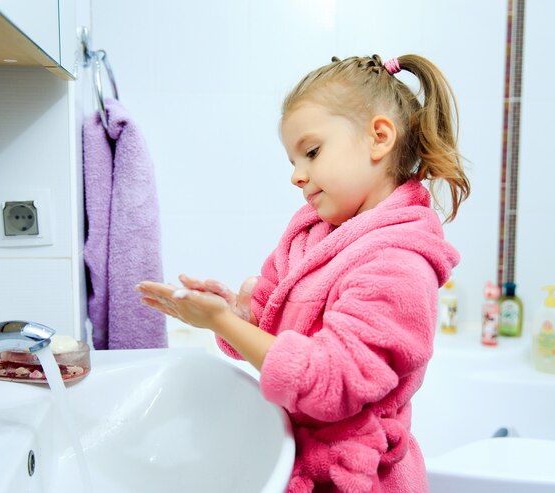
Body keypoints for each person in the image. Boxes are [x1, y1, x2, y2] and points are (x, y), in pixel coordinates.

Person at [136, 54, 470, 493]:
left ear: (379, 138)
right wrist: (235, 314)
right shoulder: (312, 235)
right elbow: (278, 328)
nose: (296, 176)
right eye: (293, 160)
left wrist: (218, 324)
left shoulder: (399, 264)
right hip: (299, 455)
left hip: (358, 477)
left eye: (311, 152)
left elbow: (329, 384)